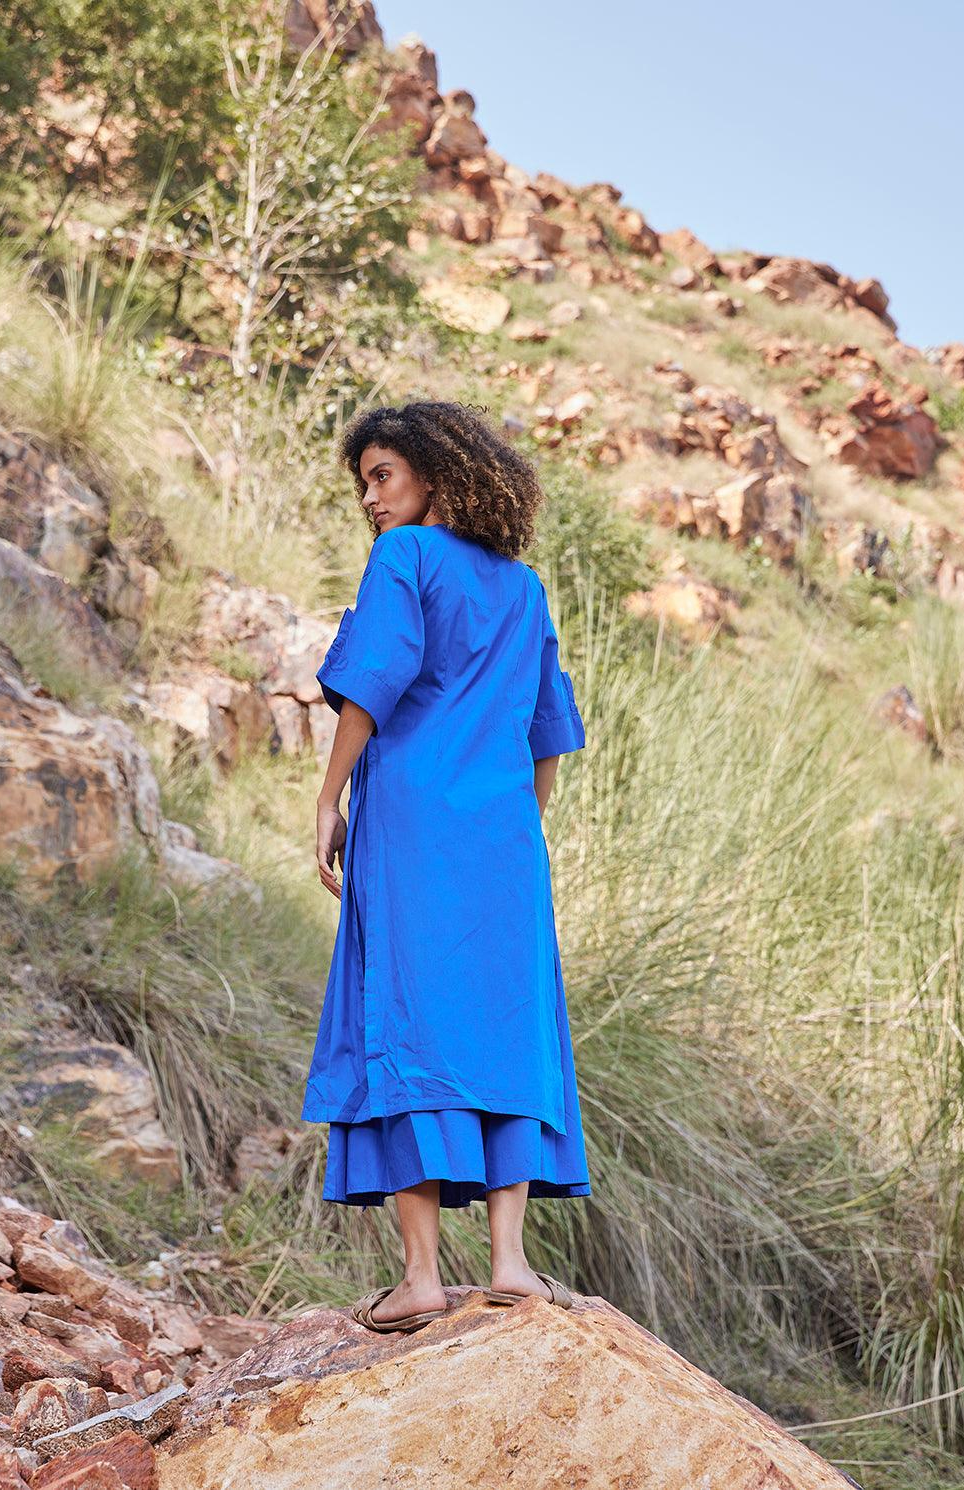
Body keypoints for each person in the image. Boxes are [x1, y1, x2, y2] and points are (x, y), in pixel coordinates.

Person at [301, 400, 590, 1333]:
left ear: (436, 471)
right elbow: (548, 733)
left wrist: (329, 798)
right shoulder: (525, 588)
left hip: (411, 821)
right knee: (507, 1026)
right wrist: (514, 827)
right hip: (504, 837)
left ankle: (422, 1277)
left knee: (406, 1018)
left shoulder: (406, 557)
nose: (371, 498)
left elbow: (371, 686)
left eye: (382, 475)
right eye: (365, 484)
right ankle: (511, 1263)